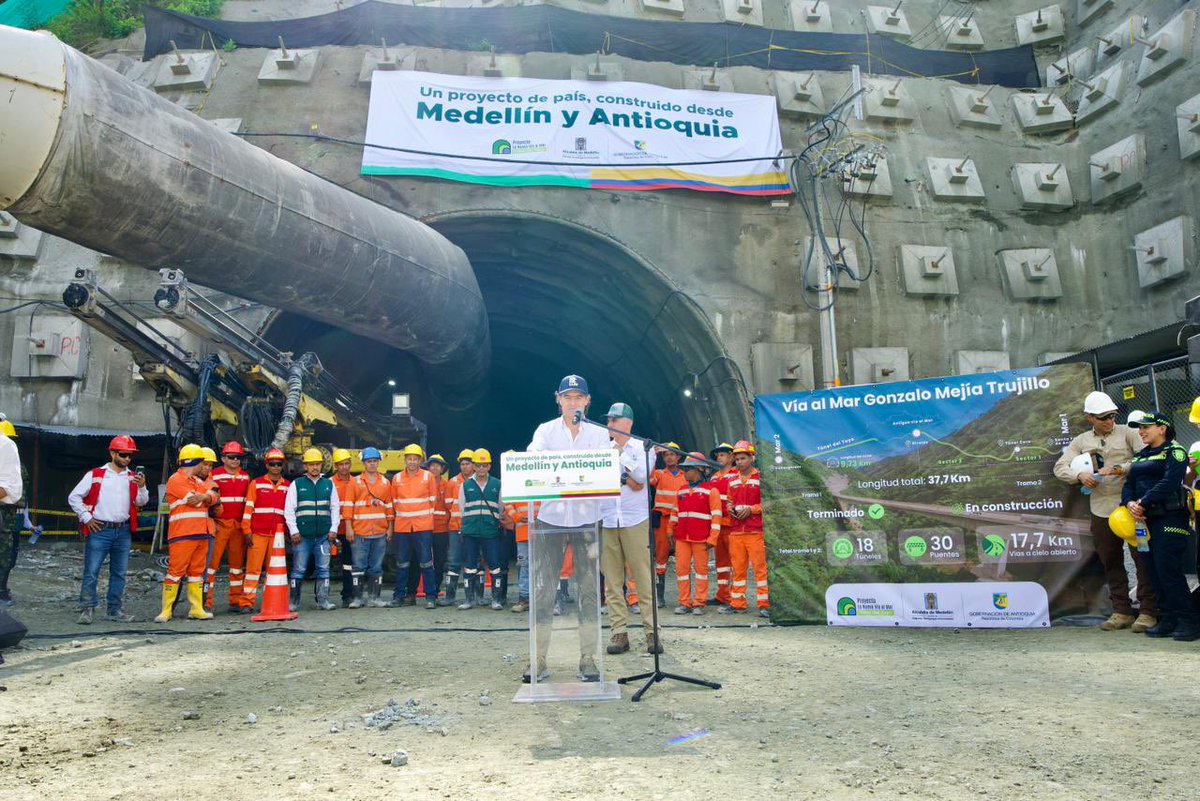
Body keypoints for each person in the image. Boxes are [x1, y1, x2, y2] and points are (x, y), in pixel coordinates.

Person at [524, 374, 609, 683]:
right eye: (567, 397)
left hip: (586, 519)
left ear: (587, 401)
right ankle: (539, 659)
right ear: (557, 399)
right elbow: (535, 459)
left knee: (588, 590)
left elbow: (604, 465)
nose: (573, 402)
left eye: (579, 397)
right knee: (545, 589)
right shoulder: (545, 431)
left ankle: (588, 658)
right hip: (550, 520)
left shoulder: (599, 433)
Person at [1053, 391, 1157, 632]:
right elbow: (1060, 467)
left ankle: (1148, 611)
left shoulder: (1130, 433)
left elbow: (1149, 459)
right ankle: (1121, 611)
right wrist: (1079, 475)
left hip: (1132, 507)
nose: (1109, 421)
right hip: (1100, 510)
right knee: (1110, 560)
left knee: (1142, 559)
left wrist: (1121, 469)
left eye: (1111, 415)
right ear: (1089, 417)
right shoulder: (1080, 441)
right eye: (1102, 417)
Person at [1122, 412, 1198, 641]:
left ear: (1162, 429)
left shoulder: (1175, 451)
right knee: (1152, 571)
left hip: (1170, 518)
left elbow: (1170, 482)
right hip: (1143, 521)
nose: (1141, 431)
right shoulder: (1138, 457)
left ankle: (1190, 621)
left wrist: (1143, 503)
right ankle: (1168, 619)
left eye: (1146, 427)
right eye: (1139, 428)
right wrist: (1129, 503)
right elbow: (1128, 486)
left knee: (1169, 570)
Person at [598, 402, 662, 655]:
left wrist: (622, 453)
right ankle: (619, 633)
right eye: (608, 421)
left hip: (635, 520)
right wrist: (627, 478)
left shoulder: (643, 448)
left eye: (614, 420)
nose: (609, 425)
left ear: (627, 423)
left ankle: (652, 633)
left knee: (643, 577)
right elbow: (611, 479)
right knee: (612, 581)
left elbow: (641, 476)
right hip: (608, 519)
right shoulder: (601, 449)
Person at [67, 434, 149, 624]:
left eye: (130, 455)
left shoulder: (132, 477)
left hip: (122, 530)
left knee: (119, 573)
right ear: (112, 453)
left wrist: (143, 487)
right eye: (123, 454)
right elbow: (74, 497)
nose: (127, 459)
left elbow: (141, 502)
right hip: (100, 529)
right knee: (92, 570)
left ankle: (114, 610)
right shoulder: (95, 475)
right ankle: (87, 609)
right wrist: (87, 518)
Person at [155, 443, 219, 623]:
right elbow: (194, 501)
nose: (205, 466)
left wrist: (206, 496)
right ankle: (166, 610)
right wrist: (206, 496)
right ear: (196, 462)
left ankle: (196, 609)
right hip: (182, 534)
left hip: (200, 533)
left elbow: (215, 497)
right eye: (203, 462)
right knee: (175, 572)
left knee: (197, 573)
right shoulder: (175, 480)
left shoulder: (198, 481)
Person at [284, 448, 340, 612]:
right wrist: (294, 531)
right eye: (311, 464)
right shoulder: (297, 484)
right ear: (305, 466)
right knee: (299, 570)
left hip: (323, 536)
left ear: (322, 465)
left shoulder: (329, 484)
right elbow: (289, 510)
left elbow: (335, 508)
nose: (315, 467)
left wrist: (333, 529)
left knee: (323, 569)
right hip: (302, 537)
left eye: (317, 464)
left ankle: (323, 601)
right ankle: (294, 602)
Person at [669, 452, 722, 616]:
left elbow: (716, 516)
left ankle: (699, 602)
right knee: (681, 571)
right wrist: (670, 529)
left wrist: (713, 538)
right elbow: (675, 511)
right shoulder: (681, 491)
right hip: (682, 538)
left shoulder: (711, 491)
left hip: (701, 539)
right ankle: (684, 603)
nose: (684, 473)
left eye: (687, 469)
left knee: (701, 572)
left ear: (698, 470)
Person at [722, 440, 769, 618]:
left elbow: (768, 503)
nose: (739, 462)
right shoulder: (732, 480)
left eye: (743, 458)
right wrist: (730, 509)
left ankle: (764, 604)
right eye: (737, 459)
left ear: (752, 458)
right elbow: (729, 501)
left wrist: (752, 509)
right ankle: (737, 603)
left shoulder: (761, 479)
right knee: (738, 568)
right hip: (736, 532)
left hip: (755, 531)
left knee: (760, 569)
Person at [389, 443, 438, 609]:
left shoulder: (428, 477)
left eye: (415, 459)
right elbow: (395, 502)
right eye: (409, 459)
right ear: (405, 460)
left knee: (426, 563)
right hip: (403, 528)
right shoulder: (397, 478)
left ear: (420, 461)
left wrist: (422, 517)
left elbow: (433, 501)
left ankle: (431, 597)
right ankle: (398, 597)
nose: (412, 462)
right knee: (402, 564)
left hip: (423, 527)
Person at [206, 441, 252, 613]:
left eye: (238, 457)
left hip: (238, 526)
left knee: (237, 566)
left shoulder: (245, 477)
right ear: (223, 458)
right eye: (231, 457)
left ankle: (235, 600)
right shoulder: (214, 475)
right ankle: (206, 602)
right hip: (220, 525)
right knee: (212, 565)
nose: (235, 460)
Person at [241, 448, 290, 608]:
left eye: (279, 464)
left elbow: (289, 513)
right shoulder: (256, 484)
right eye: (272, 464)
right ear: (266, 465)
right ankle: (247, 603)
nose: (276, 467)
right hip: (258, 534)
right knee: (252, 571)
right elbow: (248, 509)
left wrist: (289, 533)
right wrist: (246, 531)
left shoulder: (288, 486)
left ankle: (271, 603)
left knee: (273, 572)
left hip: (278, 537)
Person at [457, 448, 504, 610]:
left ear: (489, 466)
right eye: (478, 465)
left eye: (484, 465)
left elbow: (501, 507)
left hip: (490, 531)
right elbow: (462, 507)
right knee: (470, 565)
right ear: (474, 467)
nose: (481, 469)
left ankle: (496, 600)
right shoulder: (465, 485)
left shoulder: (497, 484)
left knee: (494, 564)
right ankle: (469, 600)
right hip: (470, 531)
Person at [350, 447, 393, 608]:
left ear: (378, 462)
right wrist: (349, 528)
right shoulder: (355, 482)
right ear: (363, 463)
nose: (372, 464)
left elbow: (389, 507)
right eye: (369, 461)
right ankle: (357, 599)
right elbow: (348, 507)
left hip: (380, 531)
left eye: (375, 461)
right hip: (360, 531)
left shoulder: (385, 482)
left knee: (376, 567)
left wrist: (390, 528)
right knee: (359, 566)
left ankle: (375, 598)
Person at [649, 442, 687, 608]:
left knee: (683, 558)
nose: (669, 457)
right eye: (666, 454)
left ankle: (684, 599)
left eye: (672, 454)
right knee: (661, 558)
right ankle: (660, 597)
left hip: (681, 520)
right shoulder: (658, 474)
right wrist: (652, 456)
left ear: (678, 457)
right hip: (663, 519)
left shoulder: (686, 475)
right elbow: (648, 479)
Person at [439, 449, 475, 606]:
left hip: (473, 529)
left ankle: (473, 597)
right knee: (453, 562)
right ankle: (449, 597)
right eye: (462, 464)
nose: (465, 466)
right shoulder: (452, 482)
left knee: (474, 562)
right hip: (455, 528)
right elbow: (448, 505)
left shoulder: (479, 481)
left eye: (468, 464)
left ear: (474, 465)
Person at [414, 454, 451, 604]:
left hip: (440, 529)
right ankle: (413, 592)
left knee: (440, 561)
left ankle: (434, 592)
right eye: (432, 465)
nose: (434, 468)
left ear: (442, 469)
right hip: (422, 528)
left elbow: (449, 508)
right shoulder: (421, 483)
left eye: (437, 465)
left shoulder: (446, 485)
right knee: (420, 561)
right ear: (428, 468)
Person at [707, 442, 736, 606]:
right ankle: (722, 595)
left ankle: (735, 596)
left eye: (722, 454)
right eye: (718, 455)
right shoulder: (714, 477)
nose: (719, 457)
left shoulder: (736, 476)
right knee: (721, 563)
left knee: (735, 562)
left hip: (733, 525)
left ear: (731, 457)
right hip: (719, 526)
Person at [329, 448, 359, 607]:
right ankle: (322, 597)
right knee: (324, 565)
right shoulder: (329, 483)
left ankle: (348, 595)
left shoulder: (356, 482)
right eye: (341, 464)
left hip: (350, 531)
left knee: (349, 564)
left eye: (347, 463)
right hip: (333, 531)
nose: (344, 467)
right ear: (336, 466)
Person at [0, 417, 24, 608]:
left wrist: (25, 516)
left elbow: (15, 491)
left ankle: (1, 589)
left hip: (9, 514)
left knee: (7, 555)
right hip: (11, 513)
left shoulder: (7, 451)